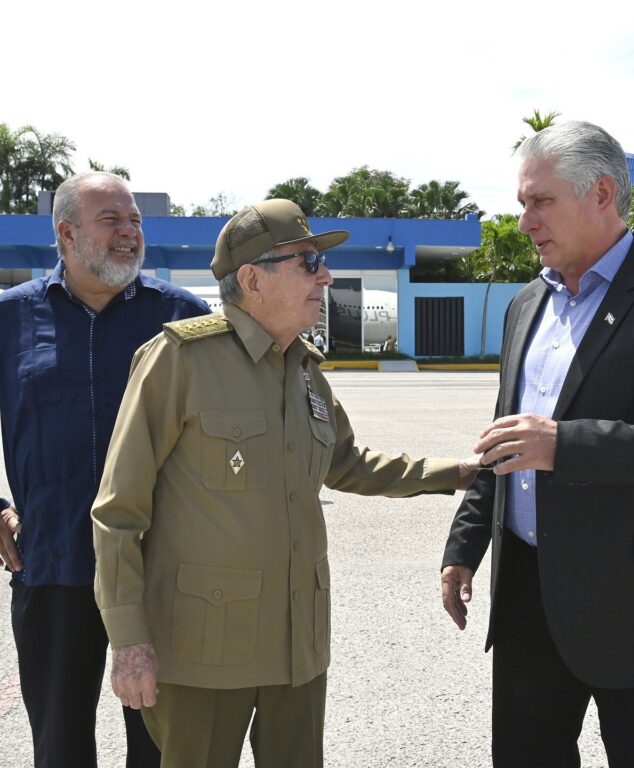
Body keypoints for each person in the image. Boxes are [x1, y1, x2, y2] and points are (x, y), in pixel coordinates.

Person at [91, 199, 477, 768]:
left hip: (296, 646)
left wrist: (460, 472)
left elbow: (348, 463)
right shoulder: (180, 360)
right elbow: (118, 512)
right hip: (204, 653)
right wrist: (128, 640)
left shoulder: (303, 368)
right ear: (252, 278)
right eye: (307, 262)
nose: (324, 275)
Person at [440, 120, 634, 767]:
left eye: (540, 201)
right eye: (522, 202)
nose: (525, 220)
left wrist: (568, 445)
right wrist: (465, 544)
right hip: (529, 594)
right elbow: (509, 435)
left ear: (603, 193)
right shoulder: (525, 304)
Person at [0, 171, 208, 767]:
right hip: (53, 569)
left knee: (164, 750)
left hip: (163, 575)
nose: (128, 232)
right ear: (66, 233)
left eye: (135, 219)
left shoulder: (184, 320)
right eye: (111, 219)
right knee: (60, 749)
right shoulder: (10, 320)